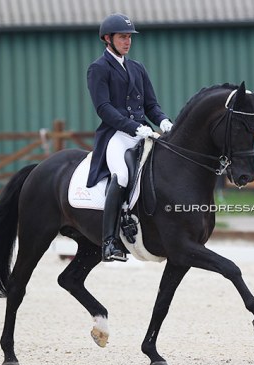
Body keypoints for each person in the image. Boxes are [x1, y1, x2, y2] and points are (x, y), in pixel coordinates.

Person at [86, 13, 173, 262]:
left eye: (129, 37)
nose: (127, 41)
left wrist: (163, 120)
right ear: (107, 39)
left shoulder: (137, 68)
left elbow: (151, 105)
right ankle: (109, 242)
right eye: (122, 37)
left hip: (142, 131)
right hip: (116, 134)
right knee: (122, 175)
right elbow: (103, 108)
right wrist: (133, 127)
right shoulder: (98, 68)